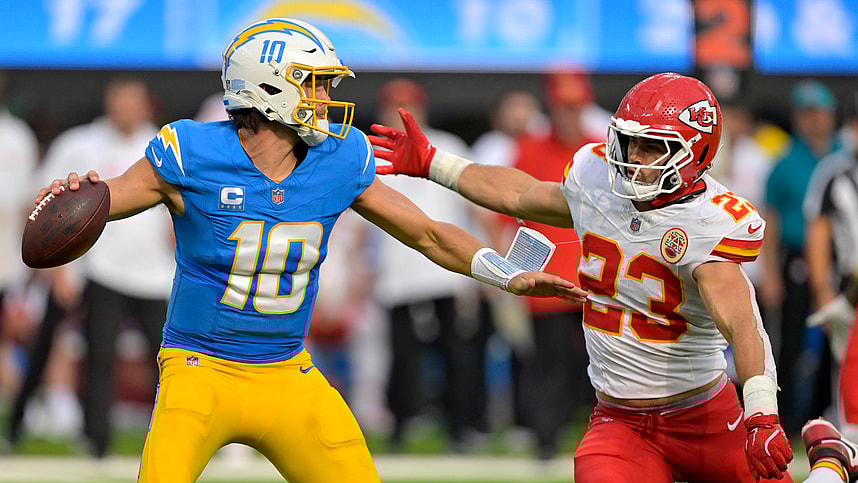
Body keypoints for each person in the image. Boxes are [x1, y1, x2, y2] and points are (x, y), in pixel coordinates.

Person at [35, 18, 584, 482]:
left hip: (287, 373)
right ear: (270, 86)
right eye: (314, 83)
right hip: (200, 370)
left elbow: (429, 233)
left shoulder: (340, 157)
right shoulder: (192, 151)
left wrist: (506, 273)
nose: (327, 98)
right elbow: (111, 197)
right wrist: (79, 196)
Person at [370, 72, 793, 482]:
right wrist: (432, 163)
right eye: (629, 142)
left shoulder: (708, 220)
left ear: (694, 152)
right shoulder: (597, 180)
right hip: (620, 421)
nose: (633, 158)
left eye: (651, 147)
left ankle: (830, 460)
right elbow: (518, 193)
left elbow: (741, 323)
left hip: (705, 416)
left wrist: (760, 413)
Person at [9, 77, 175, 458]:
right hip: (101, 270)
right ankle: (93, 441)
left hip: (154, 274)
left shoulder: (164, 146)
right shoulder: (81, 143)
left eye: (133, 102)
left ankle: (175, 440)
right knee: (95, 357)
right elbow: (43, 205)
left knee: (168, 362)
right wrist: (58, 269)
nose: (126, 109)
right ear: (108, 103)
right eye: (119, 101)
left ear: (145, 105)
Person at [371, 77, 495, 452]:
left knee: (458, 354)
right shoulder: (371, 151)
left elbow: (477, 205)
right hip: (397, 272)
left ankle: (462, 426)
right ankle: (402, 425)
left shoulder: (447, 145)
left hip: (448, 268)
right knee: (401, 357)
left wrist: (489, 262)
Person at [762, 79, 841, 435]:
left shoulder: (844, 156)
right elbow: (771, 219)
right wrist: (771, 274)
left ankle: (825, 410)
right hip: (795, 258)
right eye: (806, 113)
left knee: (836, 335)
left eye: (819, 112)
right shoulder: (784, 162)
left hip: (840, 258)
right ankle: (788, 417)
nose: (814, 120)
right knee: (791, 339)